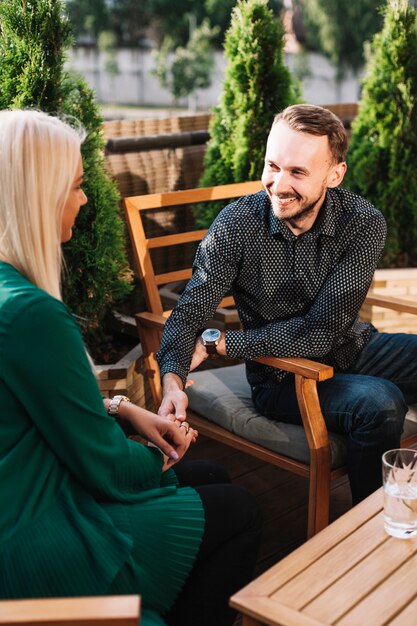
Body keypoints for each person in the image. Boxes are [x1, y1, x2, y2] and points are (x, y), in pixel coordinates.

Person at [0, 109, 262, 626]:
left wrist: (122, 408)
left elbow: (28, 404)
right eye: (75, 186)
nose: (85, 199)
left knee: (210, 475)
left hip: (28, 487)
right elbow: (105, 467)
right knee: (241, 509)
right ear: (36, 197)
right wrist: (163, 452)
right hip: (32, 533)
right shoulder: (30, 314)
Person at [157, 103, 417, 506]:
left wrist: (223, 345)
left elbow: (322, 330)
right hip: (281, 380)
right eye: (272, 166)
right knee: (380, 403)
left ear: (335, 174)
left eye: (297, 172)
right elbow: (191, 308)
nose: (278, 184)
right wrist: (171, 378)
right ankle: (370, 529)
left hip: (351, 346)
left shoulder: (363, 222)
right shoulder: (236, 225)